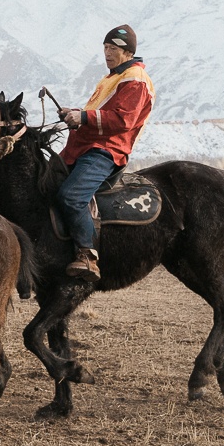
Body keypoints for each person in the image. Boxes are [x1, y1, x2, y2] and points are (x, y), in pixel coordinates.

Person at [56, 25, 155, 282]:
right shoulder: (113, 77)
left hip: (106, 152)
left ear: (128, 52)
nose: (107, 53)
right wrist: (75, 114)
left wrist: (84, 116)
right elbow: (100, 113)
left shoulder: (135, 79)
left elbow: (123, 120)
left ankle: (88, 256)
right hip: (83, 148)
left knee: (72, 196)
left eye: (113, 49)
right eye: (106, 48)